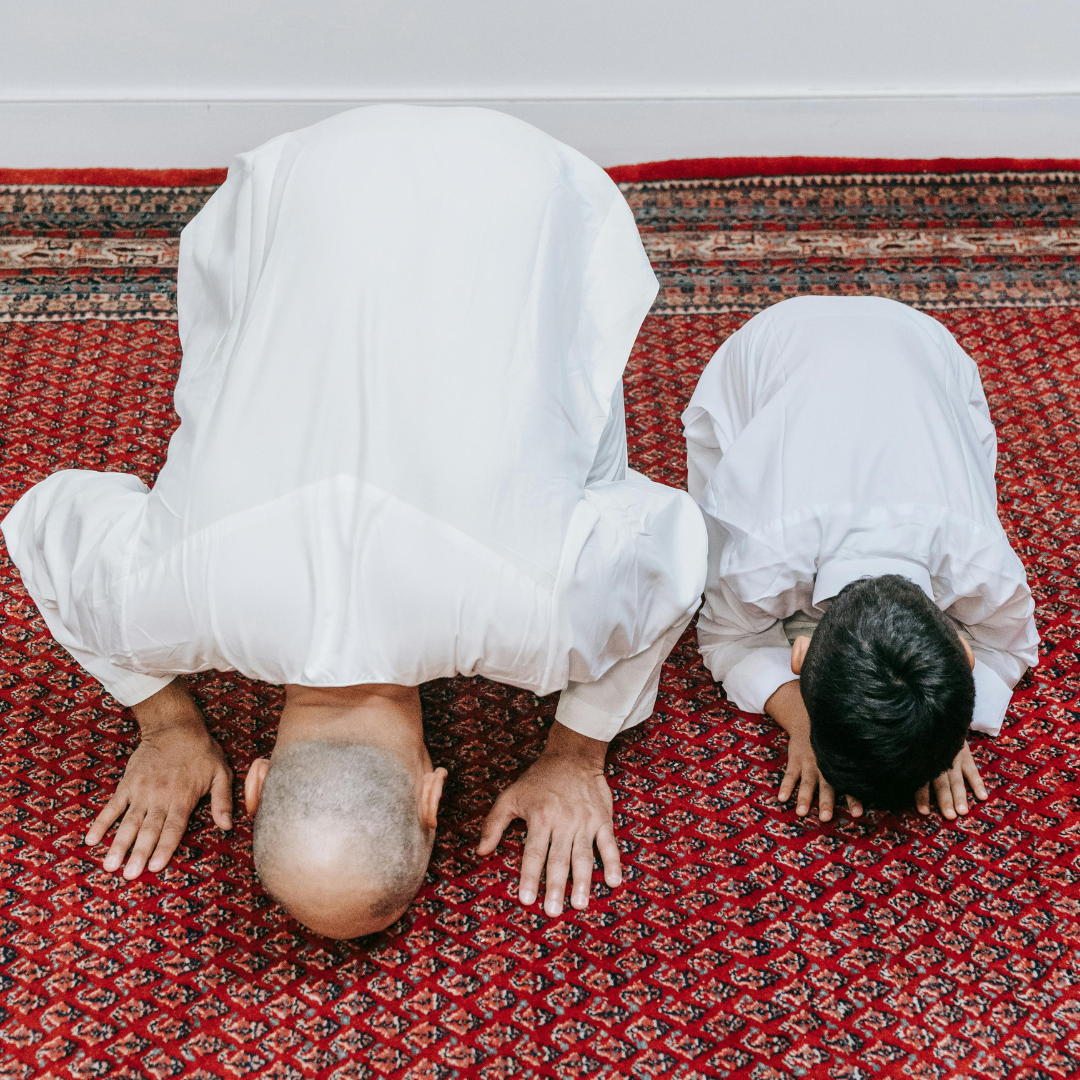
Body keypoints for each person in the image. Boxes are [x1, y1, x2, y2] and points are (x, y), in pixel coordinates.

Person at [2, 106, 707, 939]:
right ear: (259, 779)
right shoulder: (160, 604)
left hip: (528, 183)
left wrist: (576, 754)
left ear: (432, 796)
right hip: (305, 177)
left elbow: (677, 546)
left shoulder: (549, 624)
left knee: (580, 473)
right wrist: (162, 720)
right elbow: (42, 520)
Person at [683, 295, 1038, 821]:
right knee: (700, 543)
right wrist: (802, 721)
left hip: (927, 340)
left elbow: (1010, 650)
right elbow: (723, 635)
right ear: (799, 655)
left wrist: (940, 720)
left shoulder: (981, 565)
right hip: (770, 343)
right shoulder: (764, 557)